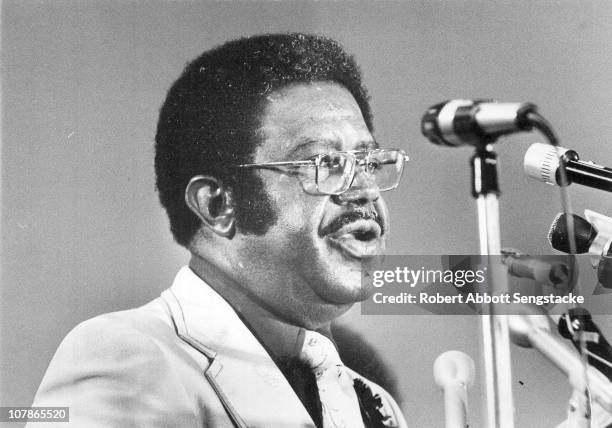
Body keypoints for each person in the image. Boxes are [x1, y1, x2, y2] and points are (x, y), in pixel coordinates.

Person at [29, 33, 409, 428]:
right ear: (217, 206)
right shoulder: (123, 358)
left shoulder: (375, 405)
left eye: (367, 161)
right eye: (325, 163)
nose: (364, 191)